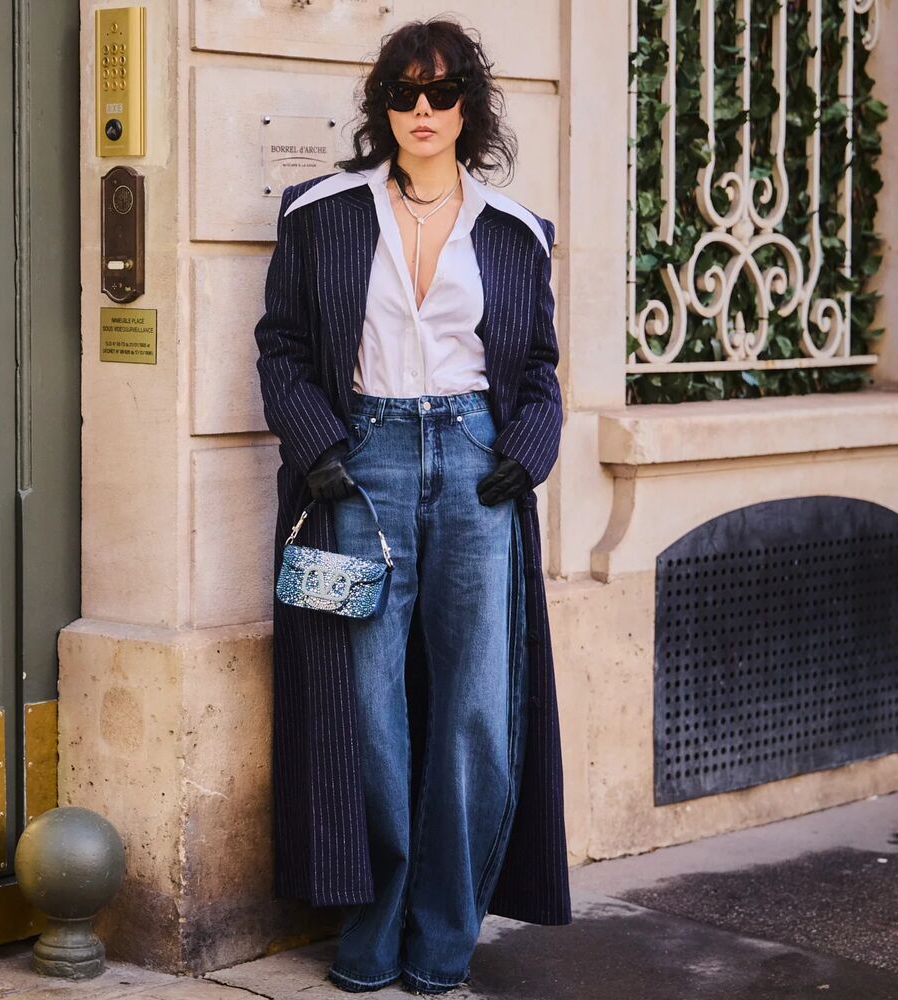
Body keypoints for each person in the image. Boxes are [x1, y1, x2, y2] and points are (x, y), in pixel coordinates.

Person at [254, 16, 571, 997]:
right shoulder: (322, 212)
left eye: (440, 91)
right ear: (382, 103)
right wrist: (318, 446)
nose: (421, 109)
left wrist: (526, 452)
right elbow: (281, 345)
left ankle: (444, 928)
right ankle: (376, 912)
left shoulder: (515, 232)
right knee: (365, 704)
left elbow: (541, 369)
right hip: (364, 465)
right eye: (403, 91)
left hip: (477, 468)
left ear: (469, 104)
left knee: (476, 706)